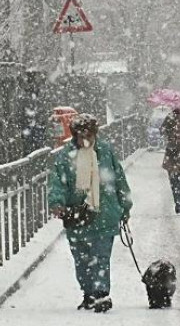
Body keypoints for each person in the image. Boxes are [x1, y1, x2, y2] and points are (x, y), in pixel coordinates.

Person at [48, 114, 132, 313]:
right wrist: (57, 203)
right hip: (78, 217)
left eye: (90, 134)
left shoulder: (105, 151)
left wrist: (125, 206)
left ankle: (101, 294)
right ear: (75, 135)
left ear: (95, 133)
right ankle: (88, 293)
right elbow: (58, 183)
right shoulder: (64, 156)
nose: (86, 138)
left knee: (101, 257)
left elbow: (118, 178)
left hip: (105, 214)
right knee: (82, 259)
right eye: (82, 134)